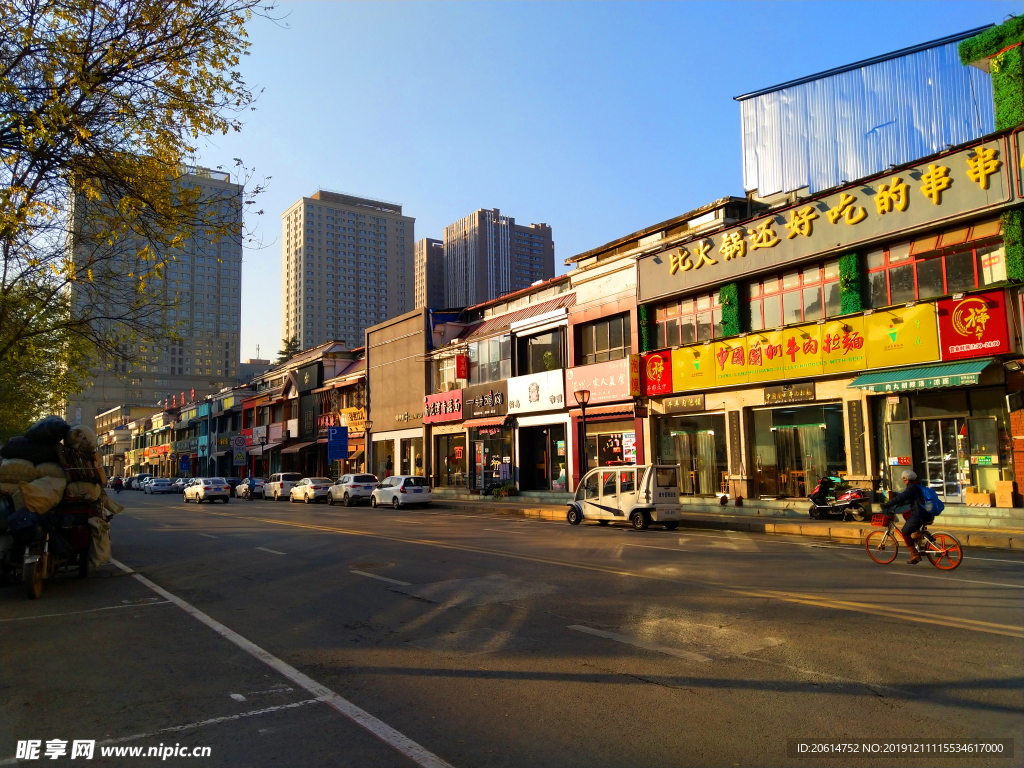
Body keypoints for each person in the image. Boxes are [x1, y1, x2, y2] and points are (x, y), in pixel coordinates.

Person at [883, 470, 933, 564]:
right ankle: (917, 535)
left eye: (903, 479)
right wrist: (903, 503)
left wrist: (888, 504)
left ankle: (915, 554)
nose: (903, 481)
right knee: (906, 514)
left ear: (906, 479)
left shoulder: (911, 488)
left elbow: (901, 497)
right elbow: (913, 499)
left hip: (920, 514)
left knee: (905, 533)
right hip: (928, 513)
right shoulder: (919, 485)